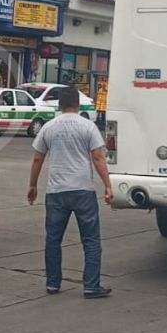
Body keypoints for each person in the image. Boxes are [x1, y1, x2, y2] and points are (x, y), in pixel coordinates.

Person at [27, 86, 114, 299]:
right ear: (78, 103)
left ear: (59, 104)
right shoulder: (88, 126)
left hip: (56, 192)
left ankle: (53, 284)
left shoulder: (49, 127)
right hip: (83, 190)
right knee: (91, 240)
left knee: (53, 239)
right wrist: (108, 185)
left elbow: (38, 158)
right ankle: (91, 286)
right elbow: (98, 157)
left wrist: (33, 185)